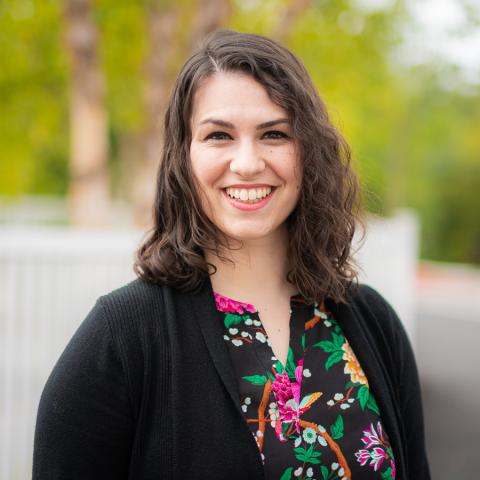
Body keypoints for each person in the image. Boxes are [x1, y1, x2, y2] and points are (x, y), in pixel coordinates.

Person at [32, 30, 430, 480]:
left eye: (274, 134)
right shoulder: (122, 338)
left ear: (309, 151)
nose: (246, 162)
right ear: (183, 156)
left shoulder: (371, 322)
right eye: (219, 135)